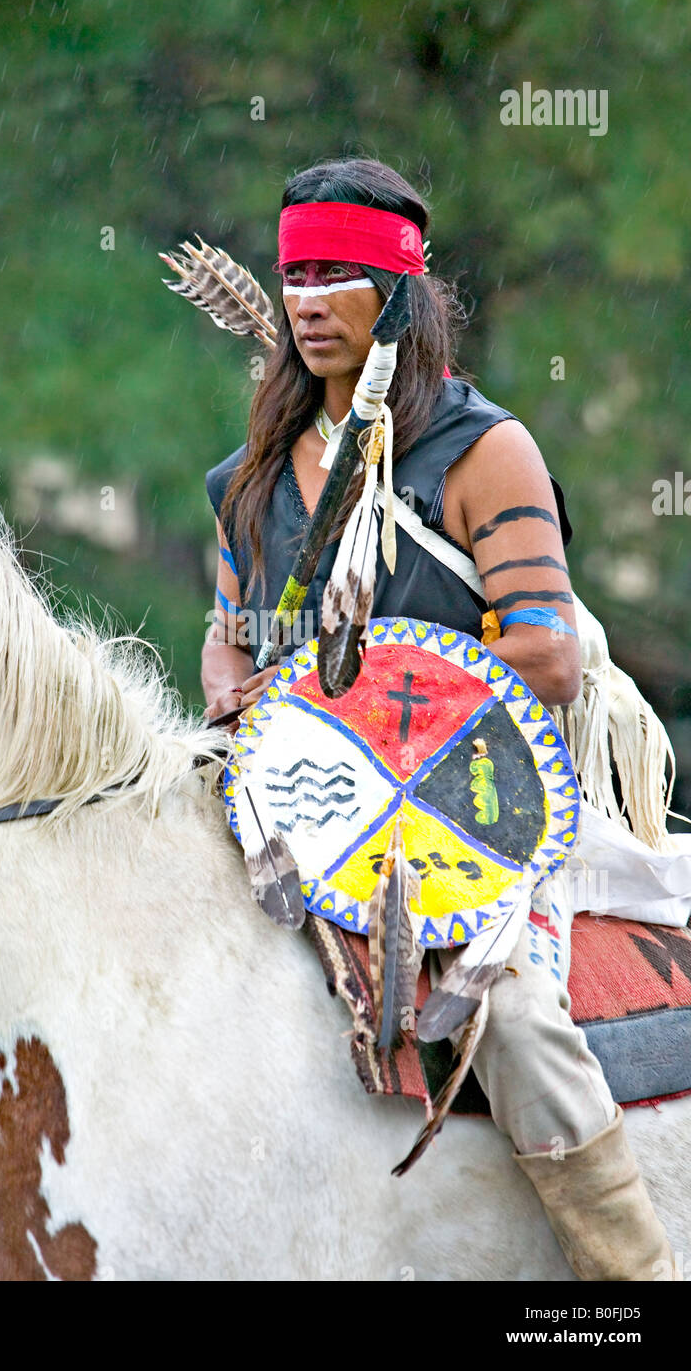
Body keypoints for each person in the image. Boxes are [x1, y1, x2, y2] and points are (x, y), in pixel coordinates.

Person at [201, 155, 674, 1281]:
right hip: (287, 807)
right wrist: (233, 685)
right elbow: (228, 634)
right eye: (296, 273)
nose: (309, 298)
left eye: (340, 274)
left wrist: (356, 695)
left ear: (399, 297)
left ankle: (633, 1274)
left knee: (503, 1010)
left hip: (469, 811)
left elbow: (547, 654)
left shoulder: (481, 449)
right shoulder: (251, 477)